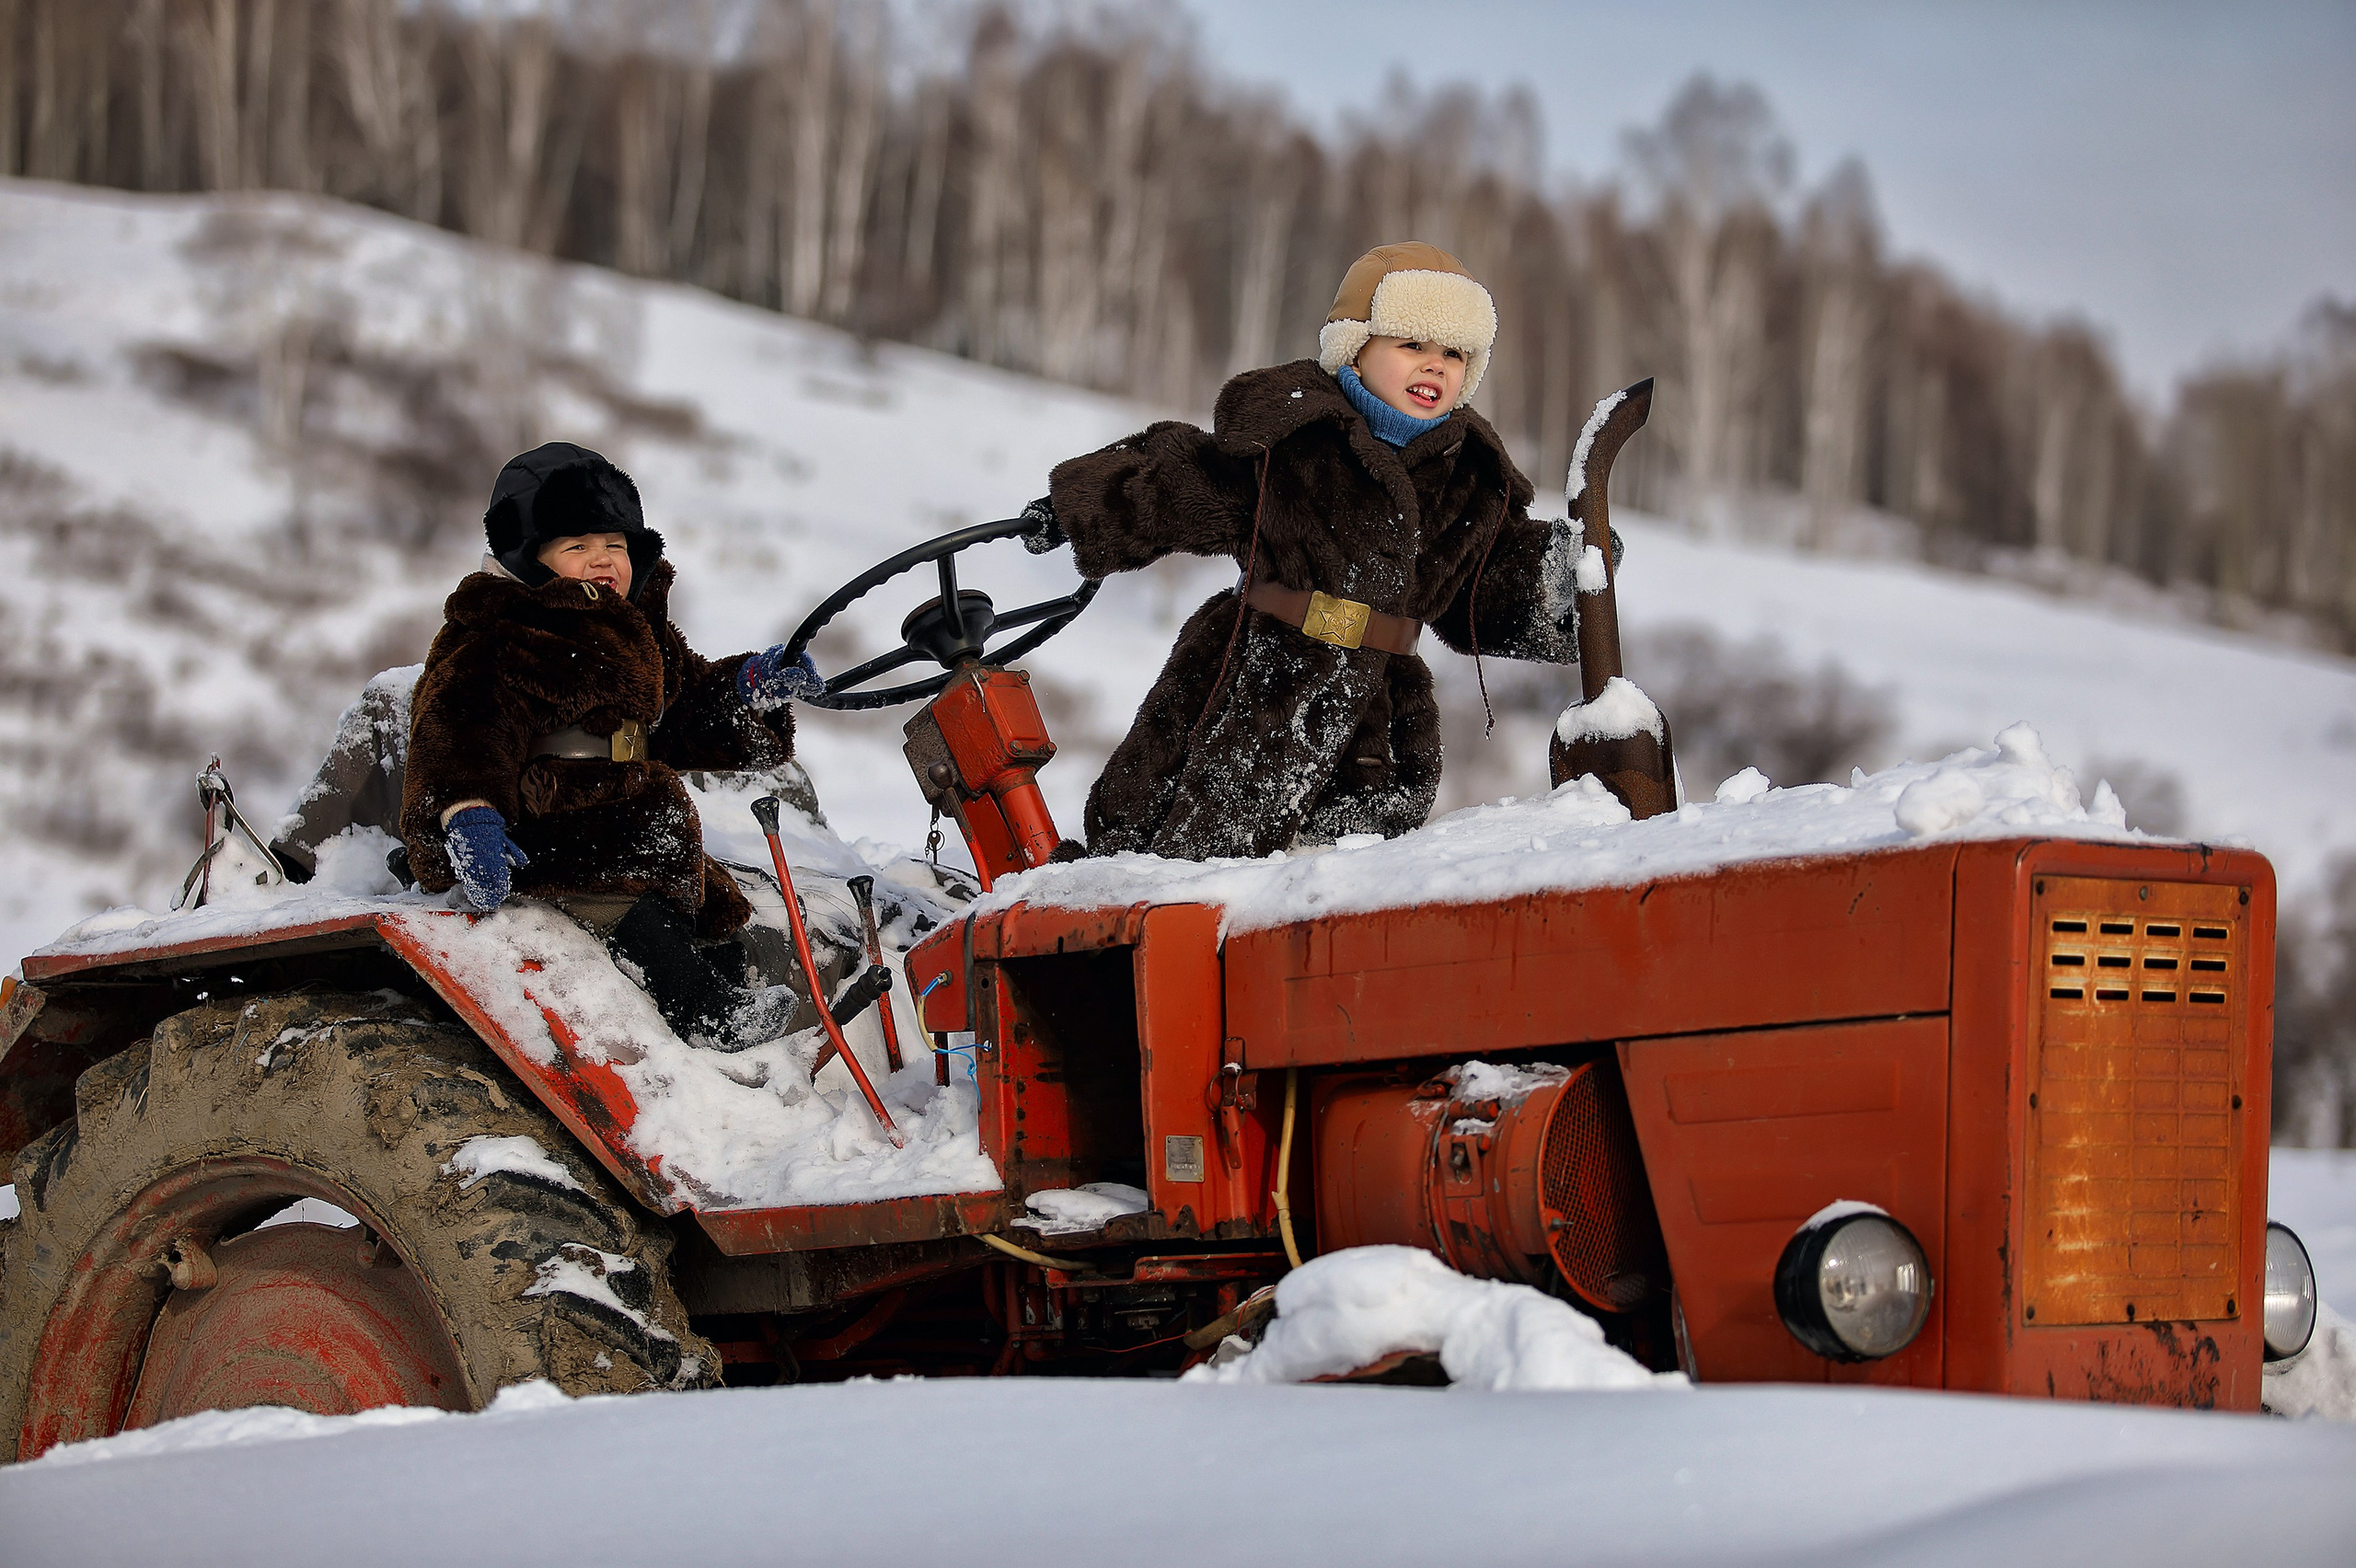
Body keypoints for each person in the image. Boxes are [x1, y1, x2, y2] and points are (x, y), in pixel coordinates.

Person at [1022, 242, 1614, 861]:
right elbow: (1184, 480)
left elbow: (1479, 585)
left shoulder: (1468, 480)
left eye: (1454, 354)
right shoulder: (1292, 440)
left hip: (1377, 718)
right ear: (1356, 346)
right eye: (1412, 345)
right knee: (1169, 832)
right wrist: (1076, 508)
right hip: (1250, 674)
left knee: (1340, 864)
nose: (1435, 367)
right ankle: (1117, 911)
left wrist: (1553, 581)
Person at [399, 441, 821, 1040]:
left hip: (626, 828)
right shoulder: (503, 637)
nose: (604, 560)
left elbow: (687, 709)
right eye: (578, 546)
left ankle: (729, 1002)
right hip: (551, 836)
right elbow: (459, 732)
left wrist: (749, 688)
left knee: (712, 919)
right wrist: (471, 817)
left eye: (616, 546)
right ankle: (706, 1016)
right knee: (638, 919)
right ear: (530, 559)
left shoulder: (639, 634)